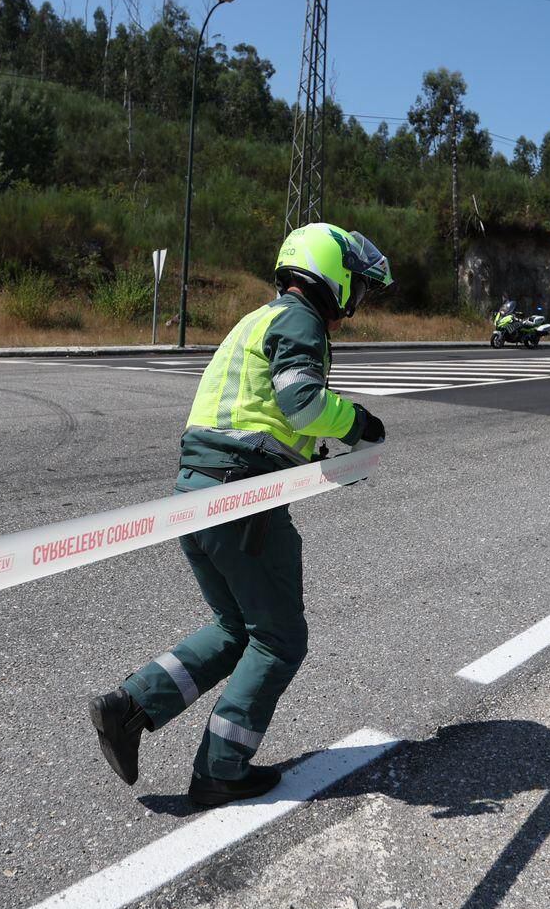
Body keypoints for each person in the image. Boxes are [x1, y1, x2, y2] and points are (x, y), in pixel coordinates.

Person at [88, 222, 392, 807]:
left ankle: (130, 708)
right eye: (358, 283)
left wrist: (314, 464)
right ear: (334, 274)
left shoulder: (258, 319)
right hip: (242, 498)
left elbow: (259, 416)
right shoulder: (301, 320)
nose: (359, 297)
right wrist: (358, 425)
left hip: (197, 492)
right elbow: (300, 405)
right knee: (279, 640)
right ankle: (221, 768)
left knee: (236, 630)